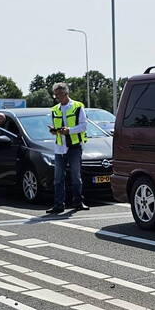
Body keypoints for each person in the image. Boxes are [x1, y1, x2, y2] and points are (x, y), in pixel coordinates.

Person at [46, 83, 89, 214]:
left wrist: (69, 131)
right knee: (58, 178)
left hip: (74, 146)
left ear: (66, 93)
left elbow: (84, 126)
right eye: (56, 95)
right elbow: (56, 125)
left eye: (60, 94)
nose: (58, 97)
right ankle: (58, 205)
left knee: (76, 176)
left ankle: (78, 202)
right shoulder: (54, 109)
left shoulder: (77, 106)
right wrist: (54, 131)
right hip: (59, 148)